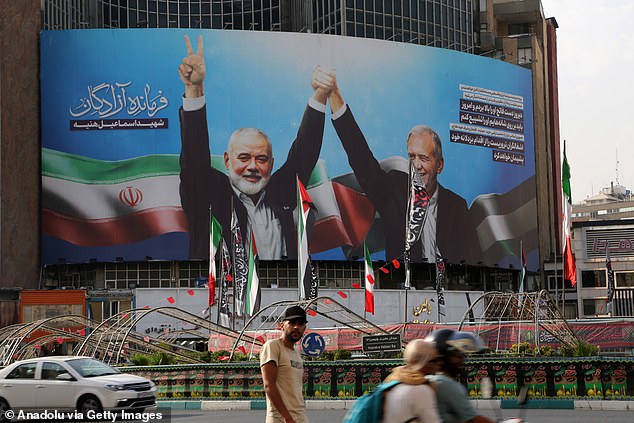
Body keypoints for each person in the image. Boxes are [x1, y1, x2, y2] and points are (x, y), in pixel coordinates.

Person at [178, 35, 335, 259]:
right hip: (225, 292)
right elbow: (194, 158)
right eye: (243, 157)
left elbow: (304, 153)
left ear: (271, 164)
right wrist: (194, 89)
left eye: (261, 159)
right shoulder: (209, 194)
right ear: (226, 160)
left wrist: (320, 94)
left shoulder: (281, 192)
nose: (253, 166)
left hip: (283, 290)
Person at [327, 78, 482, 264]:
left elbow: (474, 259)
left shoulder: (456, 206)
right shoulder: (394, 194)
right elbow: (362, 161)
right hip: (404, 288)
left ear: (439, 165)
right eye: (411, 157)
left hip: (447, 288)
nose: (417, 165)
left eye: (423, 158)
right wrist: (335, 98)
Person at [424, 329, 495, 423]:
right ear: (445, 356)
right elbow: (473, 420)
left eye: (462, 355)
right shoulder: (446, 384)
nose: (462, 360)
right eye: (457, 355)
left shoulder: (429, 379)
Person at [260, 305, 308, 423]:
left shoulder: (297, 353)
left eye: (300, 324)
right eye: (292, 323)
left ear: (304, 328)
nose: (296, 327)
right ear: (282, 325)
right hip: (281, 419)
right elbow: (269, 385)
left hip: (299, 417)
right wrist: (287, 417)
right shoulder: (273, 346)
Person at [381, 339, 442, 423]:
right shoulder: (420, 390)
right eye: (433, 360)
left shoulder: (393, 380)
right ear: (421, 362)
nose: (438, 363)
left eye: (439, 359)